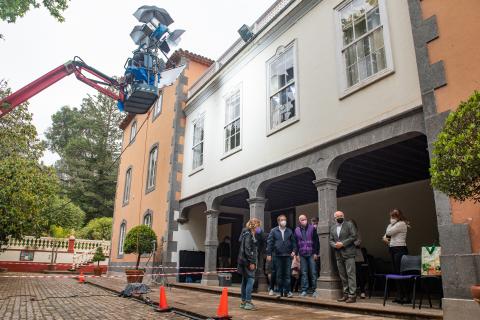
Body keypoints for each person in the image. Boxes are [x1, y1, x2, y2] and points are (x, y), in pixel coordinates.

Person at [329, 211, 358, 303]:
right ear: (334, 218)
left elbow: (354, 236)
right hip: (338, 254)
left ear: (344, 216)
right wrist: (335, 245)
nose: (339, 217)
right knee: (343, 276)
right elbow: (331, 240)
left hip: (349, 253)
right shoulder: (333, 227)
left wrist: (343, 243)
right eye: (337, 216)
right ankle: (345, 294)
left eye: (341, 216)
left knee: (351, 274)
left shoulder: (349, 225)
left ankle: (352, 295)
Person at [383, 208, 410, 304]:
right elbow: (386, 236)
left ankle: (406, 296)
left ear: (399, 216)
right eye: (391, 216)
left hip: (400, 249)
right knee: (395, 273)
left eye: (394, 216)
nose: (392, 218)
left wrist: (389, 226)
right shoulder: (393, 225)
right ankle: (399, 295)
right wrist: (389, 227)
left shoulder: (401, 224)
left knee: (401, 272)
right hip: (392, 248)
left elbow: (388, 233)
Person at [267, 214, 297, 298]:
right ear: (278, 221)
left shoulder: (289, 231)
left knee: (287, 274)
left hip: (287, 255)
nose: (284, 221)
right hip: (277, 255)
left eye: (285, 219)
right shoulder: (273, 231)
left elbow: (294, 242)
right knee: (279, 274)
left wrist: (294, 251)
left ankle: (287, 291)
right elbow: (270, 243)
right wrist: (269, 254)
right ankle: (280, 292)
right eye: (282, 220)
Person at [237, 218, 261, 310]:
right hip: (247, 262)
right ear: (255, 226)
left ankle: (243, 302)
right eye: (258, 226)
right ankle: (248, 302)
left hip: (243, 261)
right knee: (250, 280)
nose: (259, 228)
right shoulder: (249, 235)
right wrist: (251, 262)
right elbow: (247, 249)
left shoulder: (246, 233)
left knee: (245, 281)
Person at [294, 214, 320, 297]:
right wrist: (296, 253)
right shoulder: (297, 230)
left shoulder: (312, 228)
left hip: (311, 253)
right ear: (299, 221)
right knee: (304, 272)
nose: (303, 221)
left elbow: (316, 241)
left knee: (313, 272)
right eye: (301, 219)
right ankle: (304, 290)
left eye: (304, 219)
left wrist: (316, 252)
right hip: (302, 254)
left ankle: (315, 289)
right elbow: (295, 243)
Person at [350, 219, 367, 299]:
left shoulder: (357, 231)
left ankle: (363, 291)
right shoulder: (346, 233)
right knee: (351, 275)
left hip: (357, 256)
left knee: (359, 274)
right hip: (349, 256)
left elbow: (359, 241)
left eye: (351, 224)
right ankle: (353, 291)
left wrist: (350, 244)